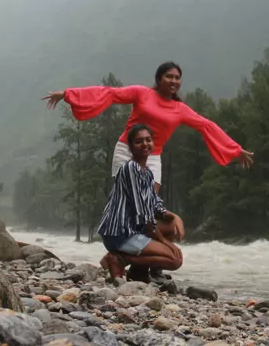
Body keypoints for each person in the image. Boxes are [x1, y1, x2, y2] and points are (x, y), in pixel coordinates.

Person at [42, 61, 254, 281]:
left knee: (153, 209)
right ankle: (127, 254)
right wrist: (68, 94)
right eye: (169, 76)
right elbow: (109, 93)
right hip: (127, 149)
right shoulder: (142, 93)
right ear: (158, 79)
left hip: (153, 156)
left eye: (177, 78)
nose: (174, 81)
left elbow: (206, 126)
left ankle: (143, 267)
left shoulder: (180, 109)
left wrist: (235, 150)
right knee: (133, 204)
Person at [97, 123, 183, 281]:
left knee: (173, 227)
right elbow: (143, 215)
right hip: (120, 234)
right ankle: (118, 259)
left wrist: (175, 217)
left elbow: (155, 205)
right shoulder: (130, 169)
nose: (145, 144)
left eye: (148, 140)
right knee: (174, 260)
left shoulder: (147, 173)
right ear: (130, 147)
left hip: (135, 229)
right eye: (139, 141)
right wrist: (164, 241)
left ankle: (138, 272)